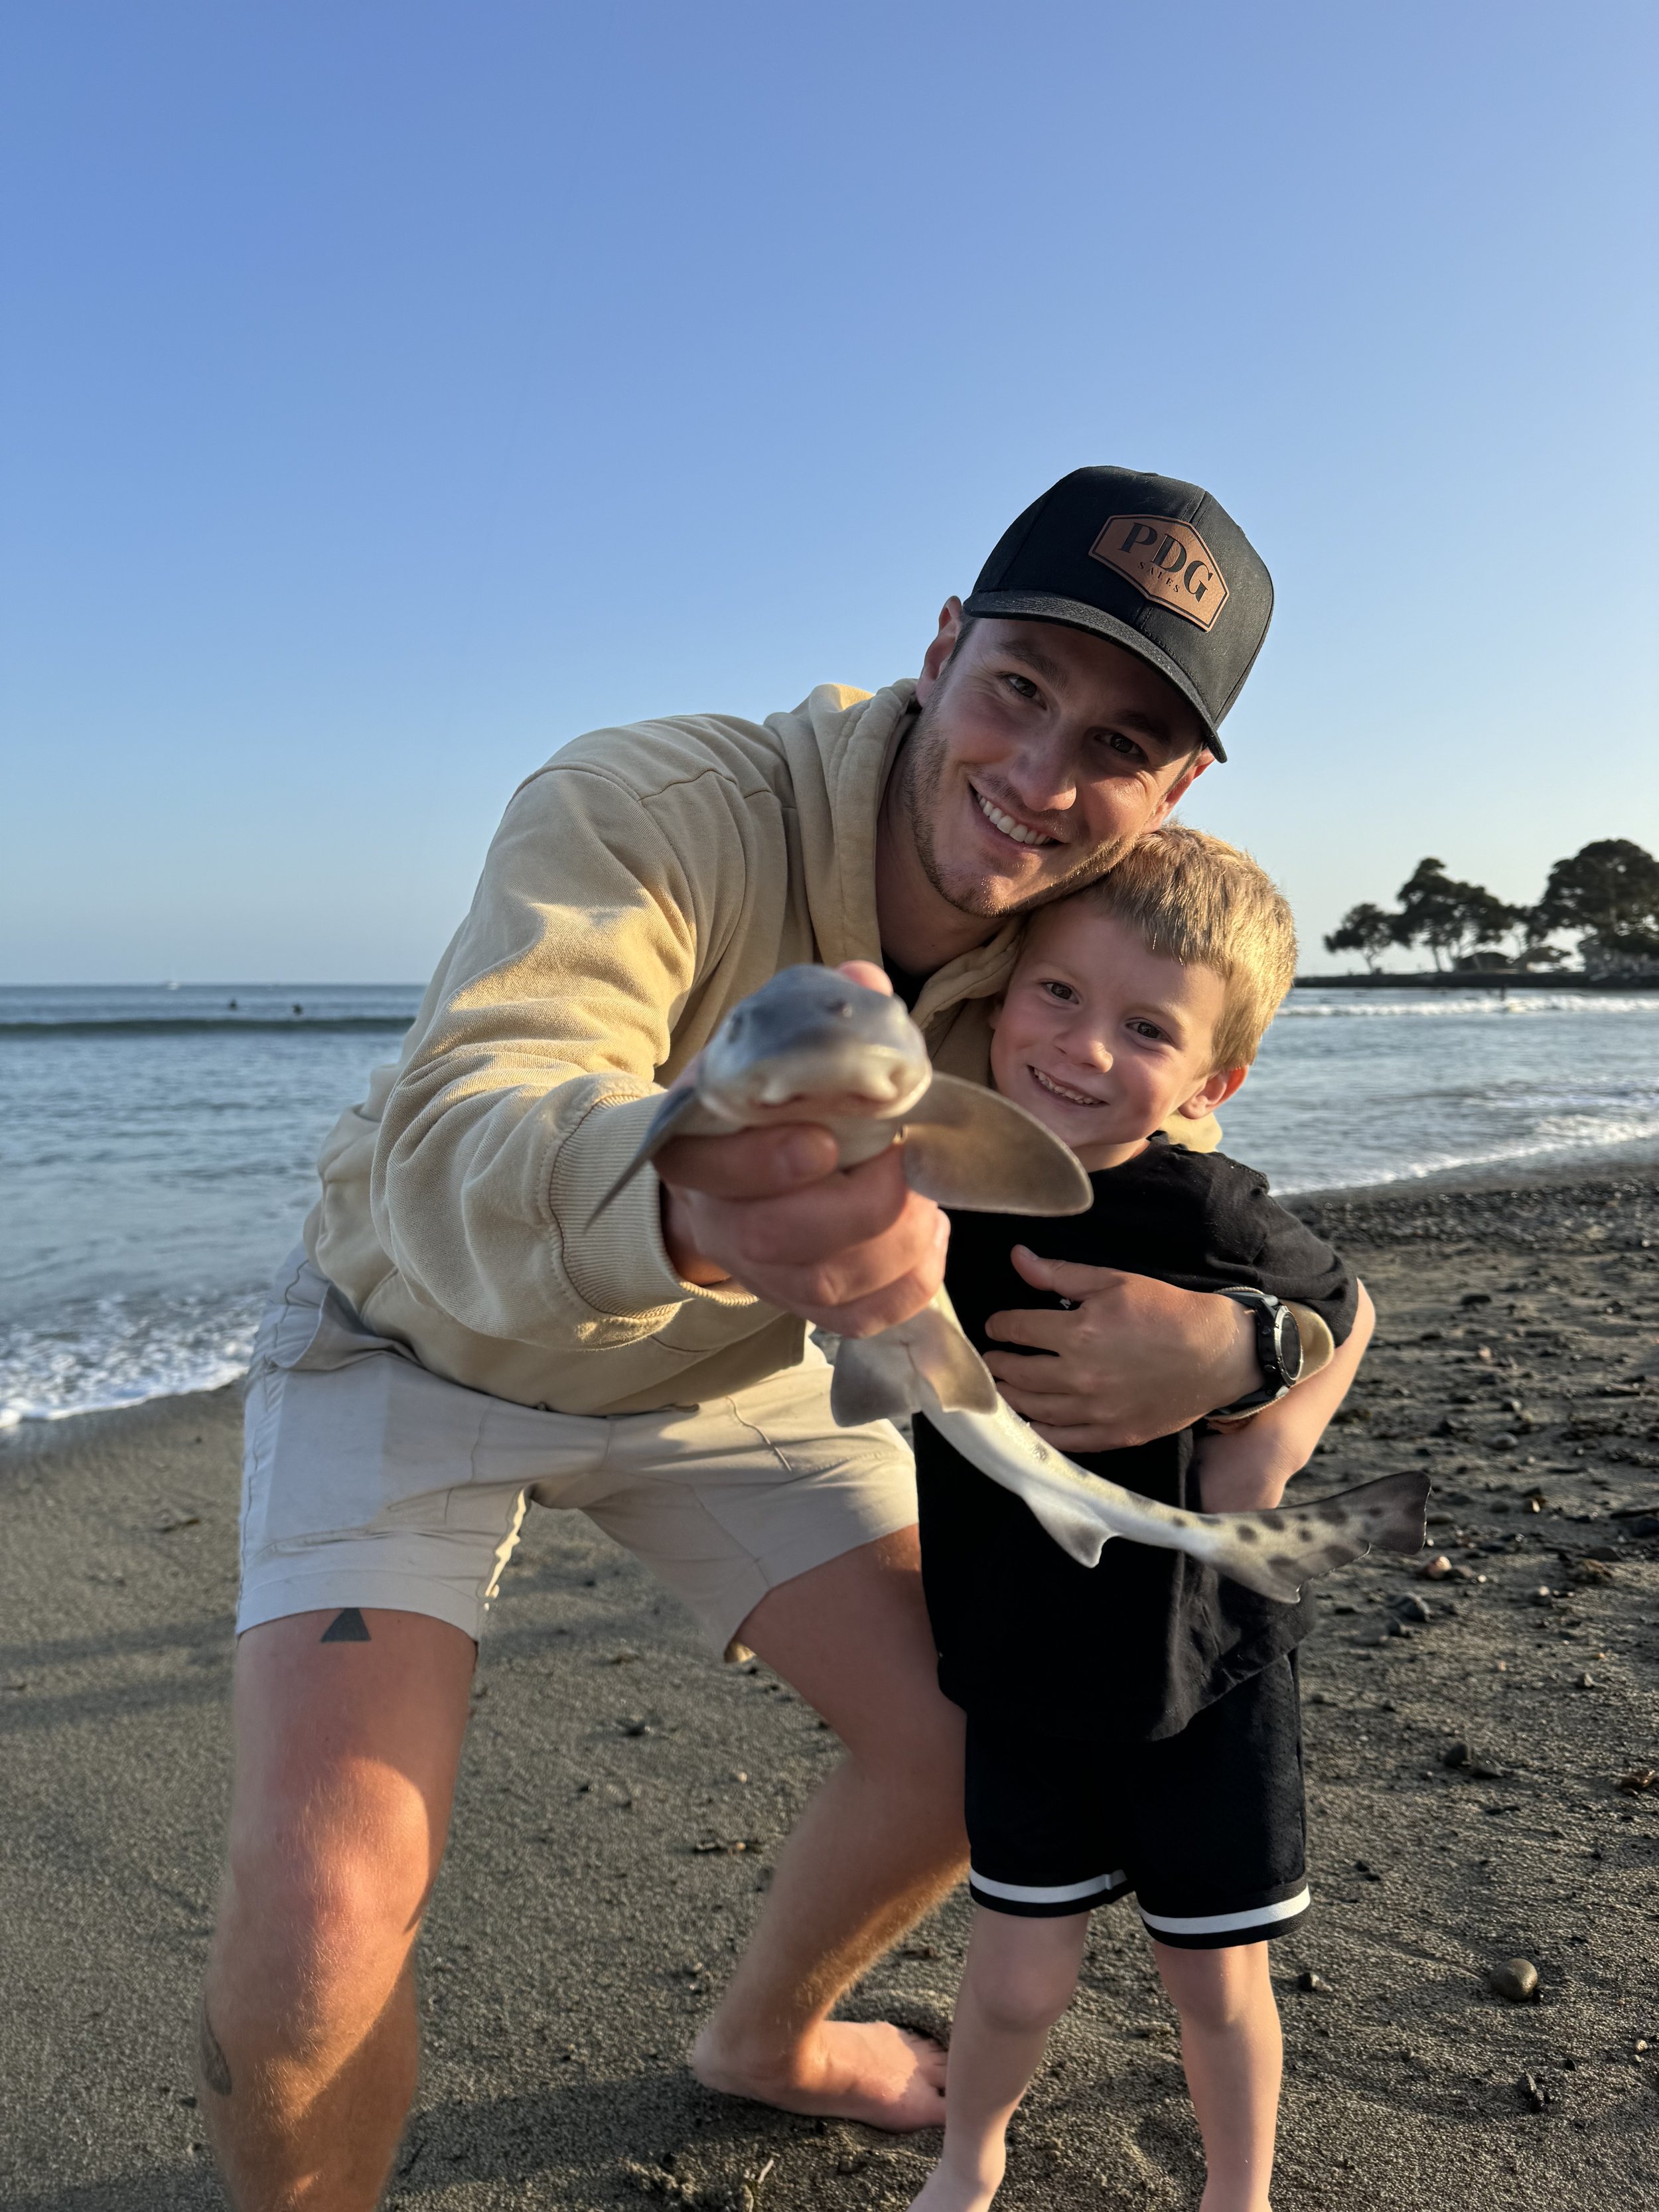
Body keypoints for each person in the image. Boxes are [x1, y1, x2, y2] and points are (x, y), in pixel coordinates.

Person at [198, 467, 1369, 2211]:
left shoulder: (1071, 958)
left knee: (969, 1743)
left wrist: (1247, 1358)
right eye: (1018, 686)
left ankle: (765, 2034)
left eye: (1118, 744)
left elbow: (1270, 1248)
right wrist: (686, 1199)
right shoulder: (646, 803)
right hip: (414, 1335)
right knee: (320, 1927)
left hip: (733, 1379)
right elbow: (462, 1120)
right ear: (939, 647)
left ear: (1177, 785)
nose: (1042, 774)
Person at [906, 826, 1374, 2212]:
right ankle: (968, 2159)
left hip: (1203, 1661)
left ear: (1214, 1079)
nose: (1082, 1046)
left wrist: (1269, 1435)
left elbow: (1341, 1304)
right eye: (1057, 992)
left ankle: (1239, 2192)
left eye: (1147, 1026)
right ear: (999, 989)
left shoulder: (1207, 1208)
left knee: (1213, 1980)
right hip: (1017, 1658)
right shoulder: (929, 1188)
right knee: (1013, 1977)